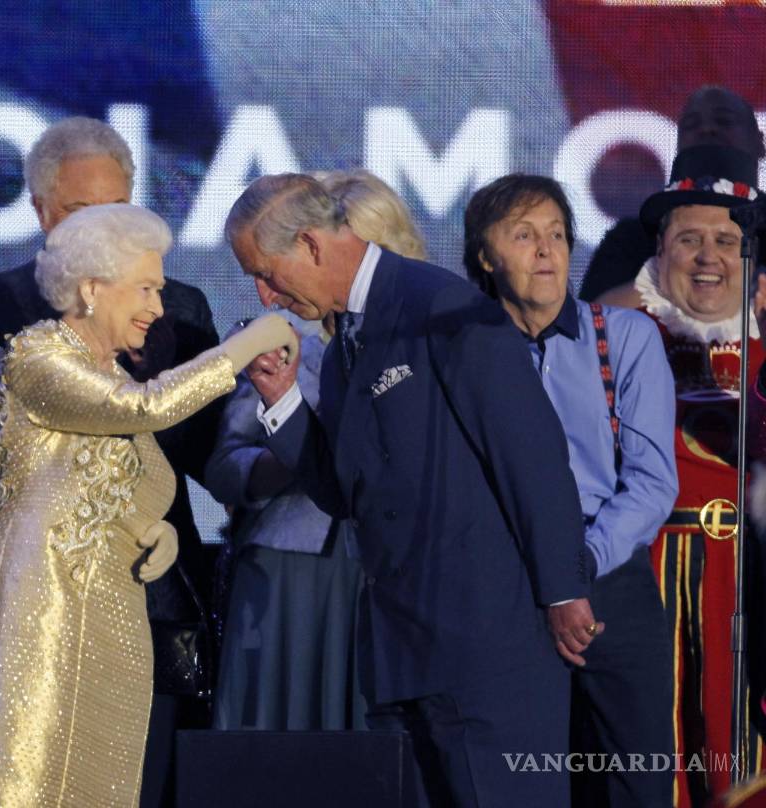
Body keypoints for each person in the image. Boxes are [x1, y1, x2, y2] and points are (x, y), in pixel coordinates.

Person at [226, 173, 597, 807]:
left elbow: (529, 455)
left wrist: (563, 590)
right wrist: (281, 399)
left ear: (313, 246)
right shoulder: (348, 337)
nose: (266, 297)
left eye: (267, 273)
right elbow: (349, 493)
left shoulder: (441, 309)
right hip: (401, 655)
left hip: (486, 655)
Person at [0, 203, 296, 807]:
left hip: (111, 608)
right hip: (38, 604)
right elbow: (145, 411)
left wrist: (162, 531)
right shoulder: (37, 356)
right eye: (147, 289)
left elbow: (142, 474)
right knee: (21, 781)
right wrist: (246, 345)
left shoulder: (109, 376)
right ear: (90, 289)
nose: (159, 308)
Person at [465, 173, 677, 807]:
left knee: (636, 777)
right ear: (484, 255)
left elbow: (651, 479)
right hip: (507, 582)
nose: (545, 250)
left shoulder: (626, 336)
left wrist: (577, 567)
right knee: (521, 777)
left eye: (556, 234)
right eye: (524, 234)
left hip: (608, 576)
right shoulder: (462, 347)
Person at [208, 169, 425, 731]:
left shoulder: (426, 337)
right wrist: (293, 459)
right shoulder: (282, 339)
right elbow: (224, 467)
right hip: (289, 572)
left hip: (392, 570)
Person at [597, 145, 766, 808]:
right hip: (645, 571)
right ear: (660, 249)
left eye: (726, 240)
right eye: (689, 238)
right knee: (650, 758)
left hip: (750, 578)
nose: (707, 257)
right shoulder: (611, 331)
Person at [581, 85, 765, 301]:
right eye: (691, 125)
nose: (706, 130)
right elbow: (592, 322)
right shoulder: (634, 238)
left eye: (724, 121)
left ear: (760, 142)